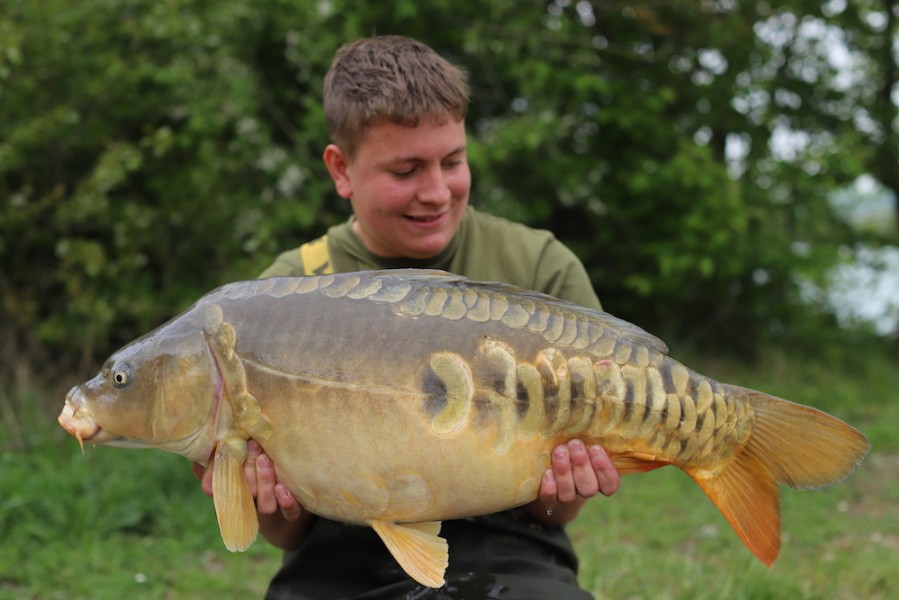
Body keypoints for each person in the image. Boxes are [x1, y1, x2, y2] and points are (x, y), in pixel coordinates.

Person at [193, 35, 621, 599]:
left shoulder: (538, 267)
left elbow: (557, 513)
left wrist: (566, 488)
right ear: (341, 169)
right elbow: (286, 535)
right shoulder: (277, 300)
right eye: (406, 170)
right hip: (341, 546)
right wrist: (270, 503)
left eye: (453, 161)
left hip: (510, 536)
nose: (437, 192)